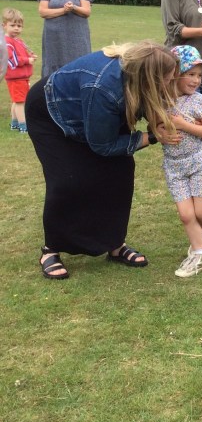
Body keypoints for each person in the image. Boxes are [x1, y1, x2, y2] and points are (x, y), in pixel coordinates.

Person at [25, 40, 180, 279]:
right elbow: (103, 145)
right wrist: (151, 137)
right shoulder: (103, 87)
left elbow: (146, 101)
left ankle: (115, 245)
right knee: (68, 180)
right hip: (51, 115)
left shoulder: (134, 76)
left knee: (120, 173)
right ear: (149, 77)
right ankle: (51, 250)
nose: (170, 83)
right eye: (167, 79)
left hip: (92, 109)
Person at [165, 45, 202, 278]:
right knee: (187, 215)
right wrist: (161, 133)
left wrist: (184, 125)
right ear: (174, 74)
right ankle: (200, 255)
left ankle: (199, 238)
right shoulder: (161, 100)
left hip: (199, 163)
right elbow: (154, 125)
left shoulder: (198, 101)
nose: (197, 80)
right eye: (191, 74)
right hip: (174, 166)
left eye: (199, 75)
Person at [37, 0, 93, 78]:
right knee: (54, 66)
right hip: (54, 38)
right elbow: (42, 12)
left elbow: (87, 11)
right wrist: (64, 10)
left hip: (77, 36)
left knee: (80, 62)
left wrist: (74, 8)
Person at [3, 8, 37, 133]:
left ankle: (15, 123)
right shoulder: (7, 43)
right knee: (20, 102)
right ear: (4, 25)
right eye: (13, 25)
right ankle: (23, 126)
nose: (16, 28)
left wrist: (30, 55)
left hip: (21, 77)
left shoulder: (17, 40)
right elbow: (11, 60)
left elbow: (20, 54)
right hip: (16, 78)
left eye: (19, 26)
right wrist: (27, 60)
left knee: (17, 101)